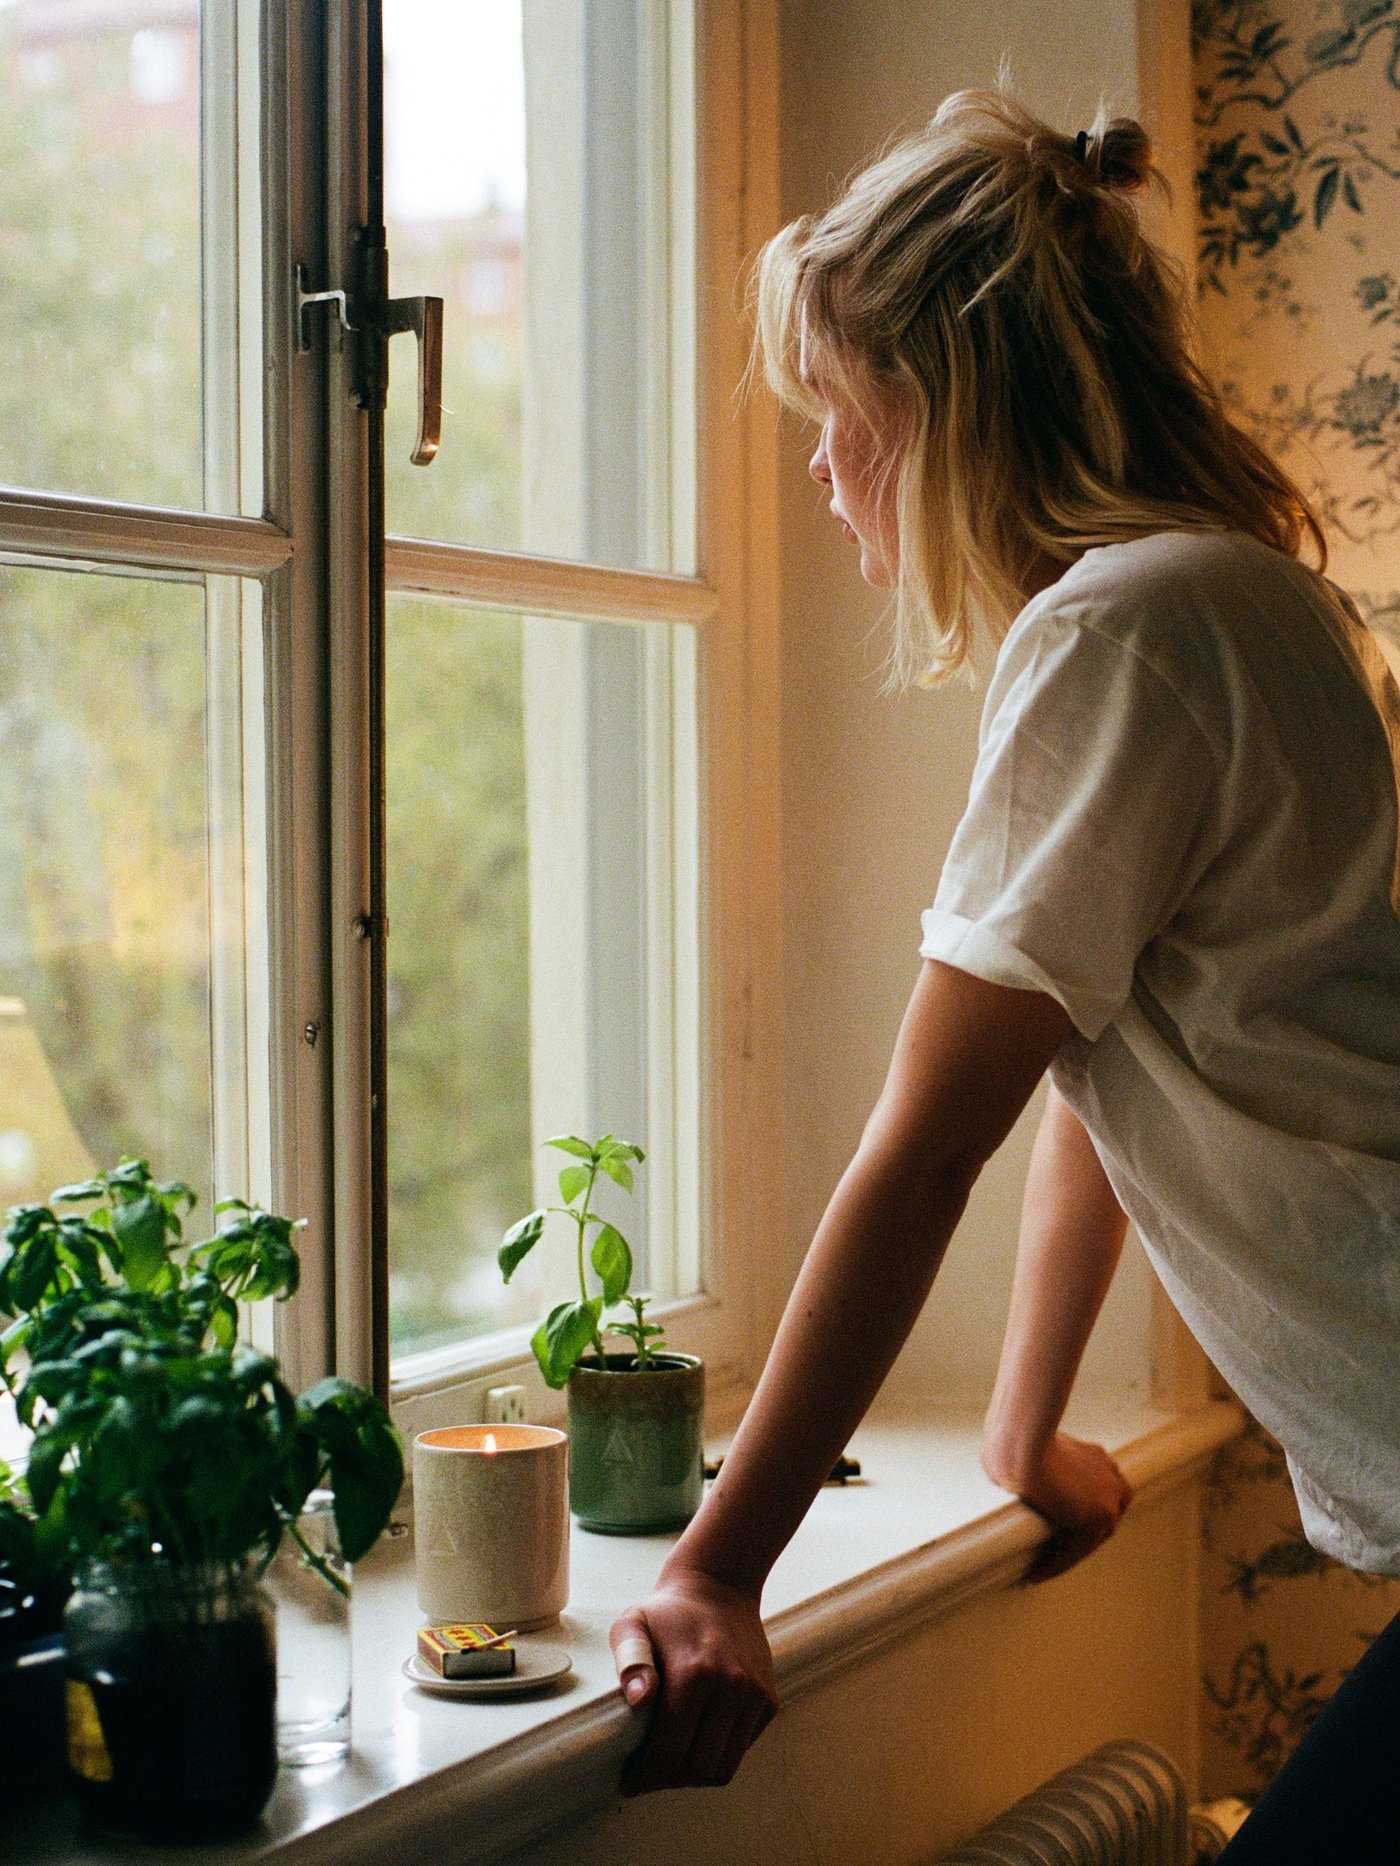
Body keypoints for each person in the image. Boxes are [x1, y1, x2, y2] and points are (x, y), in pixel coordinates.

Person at [607, 87, 1400, 1857]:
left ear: (948, 406)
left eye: (842, 414)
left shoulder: (1113, 630)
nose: (821, 468)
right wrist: (1029, 1425)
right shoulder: (1256, 599)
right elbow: (1104, 1065)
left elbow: (924, 1140)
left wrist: (718, 1566)